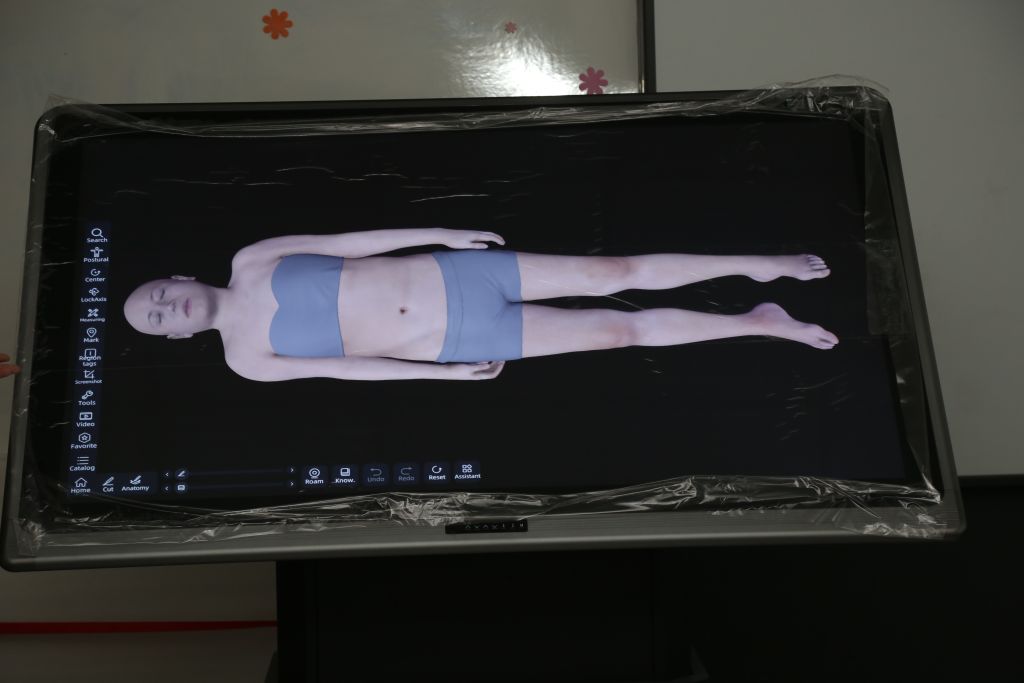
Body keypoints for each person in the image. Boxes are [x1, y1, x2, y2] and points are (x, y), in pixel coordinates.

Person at [123, 228, 837, 382]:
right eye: (156, 319)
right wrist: (439, 377)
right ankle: (758, 322)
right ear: (174, 338)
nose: (165, 307)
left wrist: (438, 233)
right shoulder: (246, 360)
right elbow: (350, 370)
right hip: (451, 341)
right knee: (619, 333)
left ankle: (760, 263)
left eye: (158, 294)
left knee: (611, 271)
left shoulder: (251, 259)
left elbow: (349, 242)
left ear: (178, 277)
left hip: (452, 275)